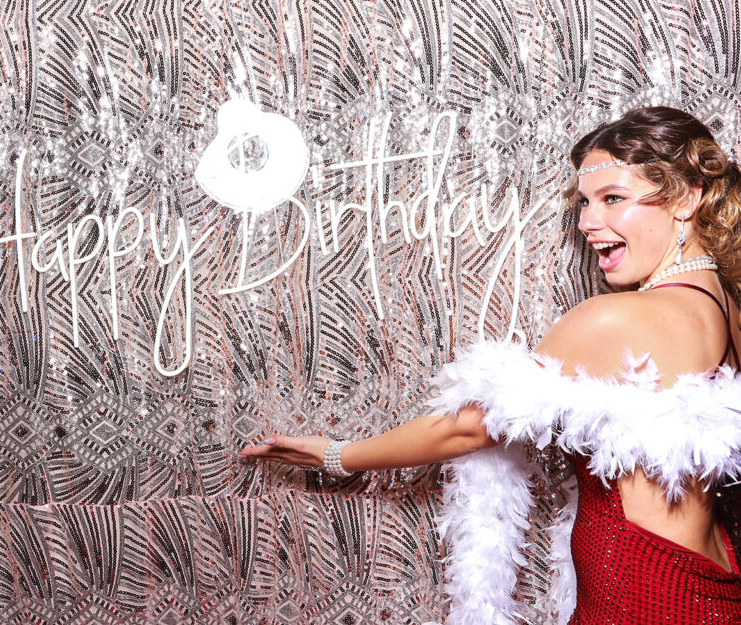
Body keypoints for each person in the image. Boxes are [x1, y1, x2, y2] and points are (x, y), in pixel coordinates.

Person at [240, 106, 741, 624]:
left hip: (644, 594)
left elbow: (470, 429)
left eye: (613, 198)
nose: (589, 222)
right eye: (585, 202)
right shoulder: (724, 310)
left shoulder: (616, 320)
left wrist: (338, 453)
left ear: (685, 198)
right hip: (711, 582)